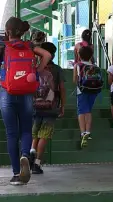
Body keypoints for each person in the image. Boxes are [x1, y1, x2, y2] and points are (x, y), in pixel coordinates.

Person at [0, 17, 51, 185]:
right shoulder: (29, 46)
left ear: (7, 31)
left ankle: (16, 174)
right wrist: (37, 70)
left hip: (7, 93)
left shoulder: (3, 47)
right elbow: (47, 54)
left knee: (11, 134)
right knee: (26, 131)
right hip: (27, 93)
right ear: (22, 32)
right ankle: (25, 154)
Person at [30, 42, 66, 174]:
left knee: (35, 134)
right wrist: (63, 105)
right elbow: (62, 88)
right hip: (51, 107)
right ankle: (37, 164)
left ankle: (31, 154)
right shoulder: (57, 70)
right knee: (44, 135)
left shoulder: (34, 68)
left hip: (35, 106)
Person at [73, 46, 101, 148]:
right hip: (93, 90)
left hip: (82, 90)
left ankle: (83, 132)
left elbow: (74, 79)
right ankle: (88, 132)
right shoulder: (94, 66)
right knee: (88, 111)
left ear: (79, 55)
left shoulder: (78, 65)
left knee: (81, 111)